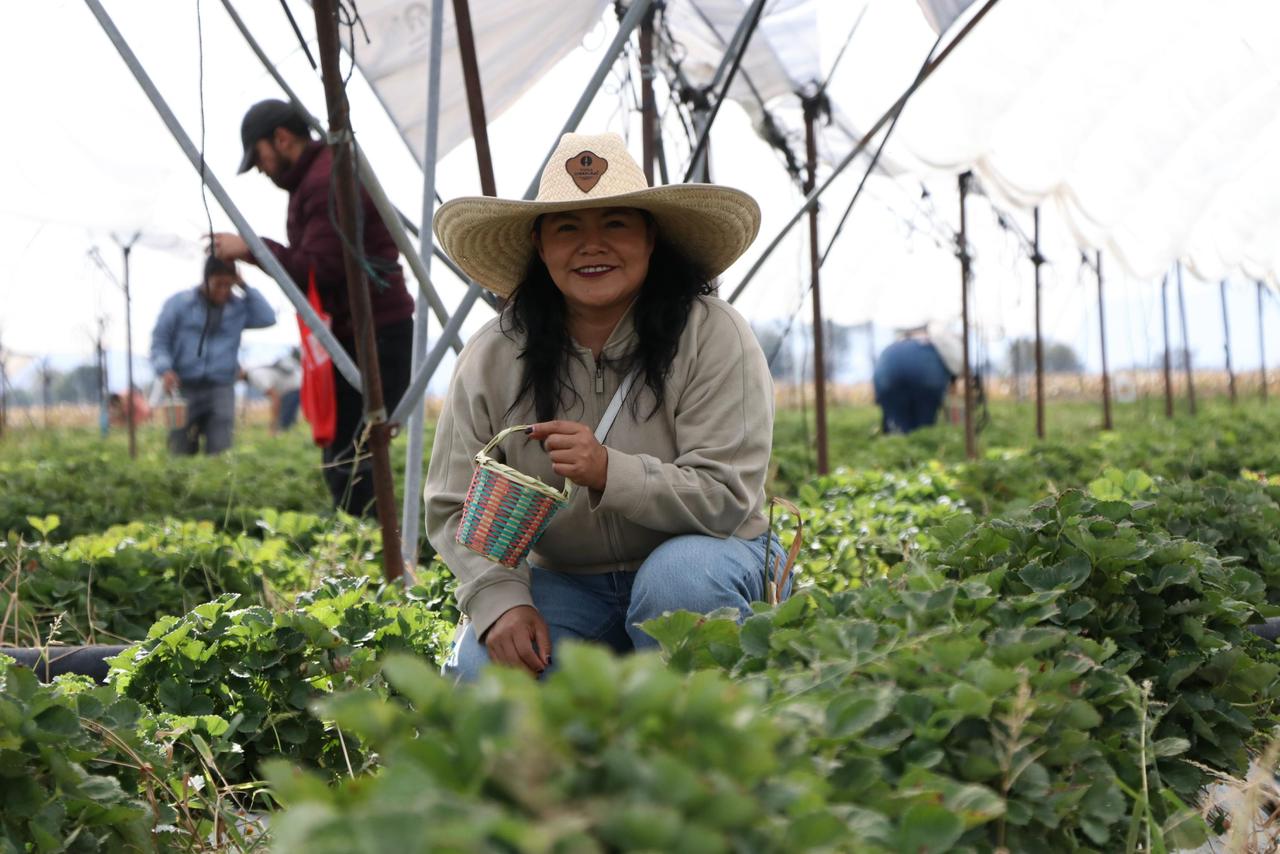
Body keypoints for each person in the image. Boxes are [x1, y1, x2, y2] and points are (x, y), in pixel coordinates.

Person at [425, 132, 786, 682]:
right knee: (484, 677)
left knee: (677, 582)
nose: (592, 246)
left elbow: (725, 496)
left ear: (650, 237)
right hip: (567, 581)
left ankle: (703, 747)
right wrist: (498, 597)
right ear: (541, 248)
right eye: (568, 228)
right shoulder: (495, 353)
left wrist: (608, 471)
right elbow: (455, 504)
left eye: (615, 223)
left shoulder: (713, 334)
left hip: (709, 555)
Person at [209, 98, 415, 515]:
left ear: (281, 139)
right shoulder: (316, 178)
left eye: (260, 157)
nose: (262, 169)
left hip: (373, 336)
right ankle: (373, 551)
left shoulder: (324, 182)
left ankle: (377, 554)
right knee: (348, 457)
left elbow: (319, 269)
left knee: (352, 461)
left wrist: (251, 248)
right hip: (357, 334)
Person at [150, 255, 275, 454]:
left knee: (221, 450)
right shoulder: (179, 304)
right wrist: (165, 369)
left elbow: (268, 317)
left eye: (229, 285)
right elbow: (160, 340)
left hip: (221, 387)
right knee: (179, 447)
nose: (223, 291)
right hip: (183, 387)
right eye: (218, 284)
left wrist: (244, 286)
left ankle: (218, 484)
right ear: (206, 279)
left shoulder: (238, 308)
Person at [872, 319, 964, 434]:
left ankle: (898, 438)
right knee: (923, 426)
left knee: (897, 424)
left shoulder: (894, 346)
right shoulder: (940, 344)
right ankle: (921, 440)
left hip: (886, 379)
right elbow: (957, 367)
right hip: (927, 377)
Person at [242, 348, 303, 434]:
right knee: (288, 422)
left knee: (284, 425)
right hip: (295, 387)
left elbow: (275, 398)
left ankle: (283, 440)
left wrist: (273, 424)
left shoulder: (255, 375)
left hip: (293, 389)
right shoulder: (256, 371)